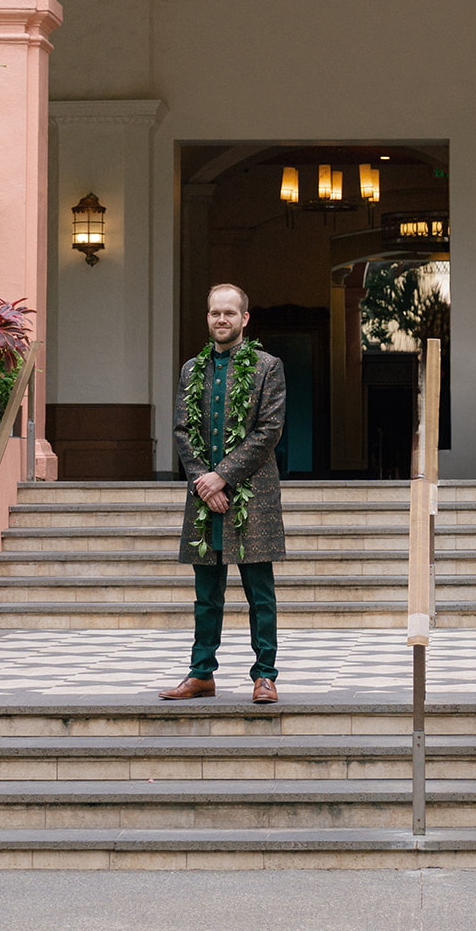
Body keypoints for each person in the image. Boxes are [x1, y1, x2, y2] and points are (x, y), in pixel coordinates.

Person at [160, 284, 287, 704]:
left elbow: (268, 432)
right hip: (205, 499)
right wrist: (204, 481)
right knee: (206, 595)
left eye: (229, 313)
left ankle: (265, 675)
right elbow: (182, 431)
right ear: (207, 316)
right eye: (215, 313)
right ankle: (201, 675)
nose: (221, 320)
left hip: (254, 496)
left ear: (244, 318)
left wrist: (224, 477)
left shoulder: (268, 367)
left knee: (260, 593)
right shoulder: (191, 369)